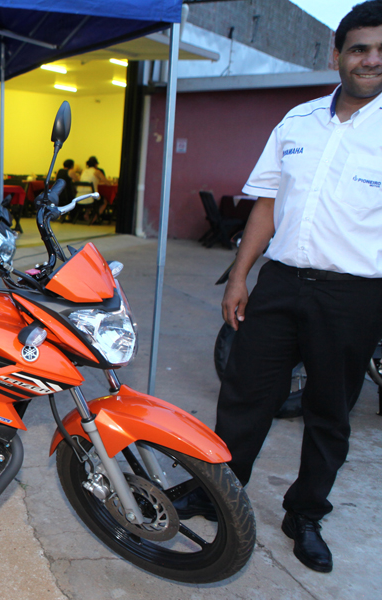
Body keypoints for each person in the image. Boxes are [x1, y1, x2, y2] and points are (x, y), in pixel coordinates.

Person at [213, 1, 382, 574]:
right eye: (360, 48)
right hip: (280, 283)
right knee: (245, 394)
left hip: (353, 295)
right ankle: (221, 491)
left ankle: (305, 513)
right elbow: (267, 204)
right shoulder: (297, 121)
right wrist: (241, 276)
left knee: (329, 410)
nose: (371, 60)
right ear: (337, 55)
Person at [78, 156, 111, 223]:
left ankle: (86, 214)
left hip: (79, 196)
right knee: (104, 201)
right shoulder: (97, 172)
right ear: (96, 164)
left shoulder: (83, 171)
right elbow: (108, 183)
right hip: (91, 197)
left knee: (90, 200)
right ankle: (94, 219)